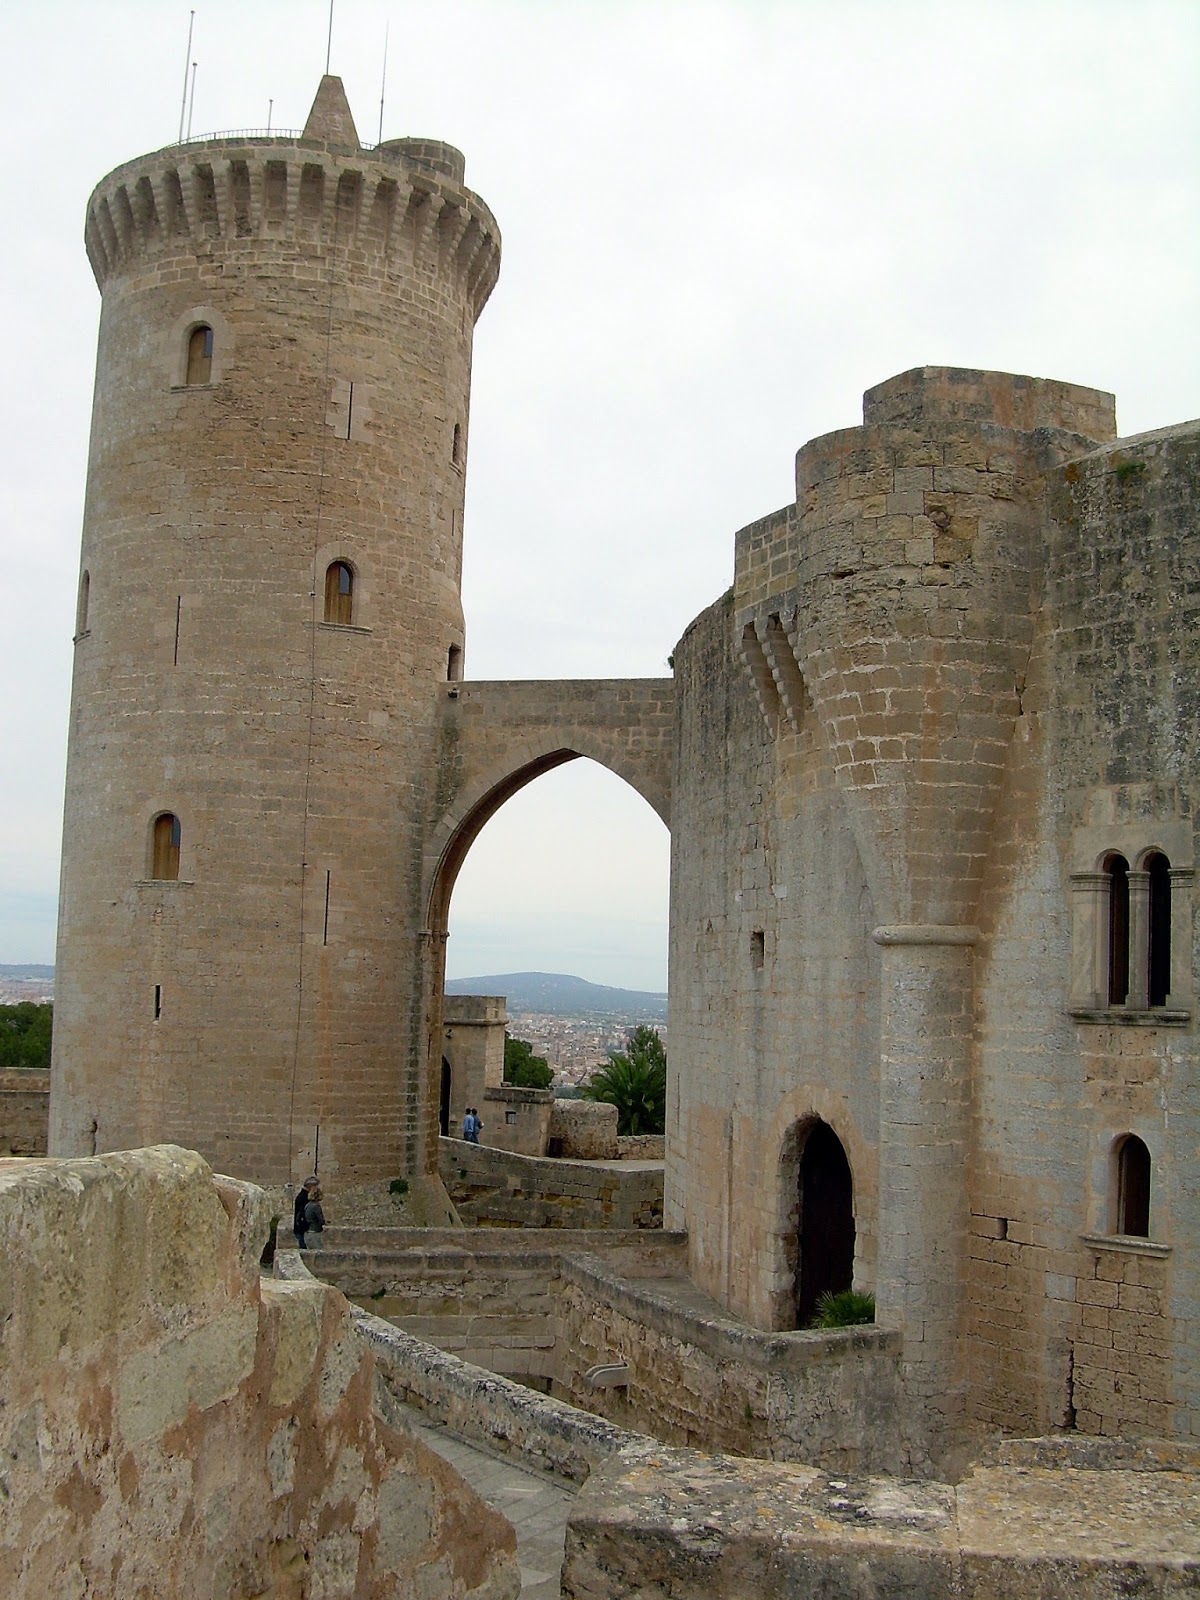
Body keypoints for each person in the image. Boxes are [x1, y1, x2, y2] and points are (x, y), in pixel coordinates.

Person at [293, 1175, 318, 1247]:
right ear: (310, 1186)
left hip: (301, 1228)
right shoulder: (304, 1197)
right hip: (302, 1229)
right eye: (315, 1186)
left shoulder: (303, 1196)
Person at [303, 1182, 326, 1250]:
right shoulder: (316, 1206)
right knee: (320, 1252)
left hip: (308, 1232)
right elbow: (321, 1220)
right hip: (315, 1232)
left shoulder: (307, 1205)